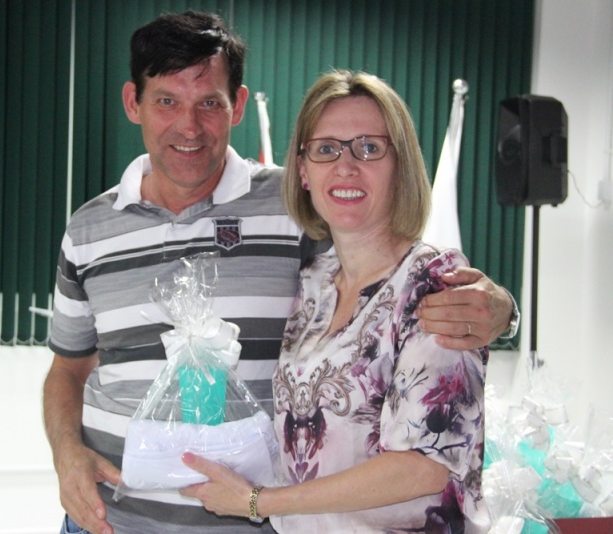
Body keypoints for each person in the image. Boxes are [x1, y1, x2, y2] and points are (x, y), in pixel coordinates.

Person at [44, 12, 512, 534]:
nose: (189, 126)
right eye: (167, 101)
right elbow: (67, 369)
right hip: (109, 521)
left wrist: (501, 309)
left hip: (252, 523)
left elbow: (400, 269)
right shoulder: (88, 230)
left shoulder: (300, 213)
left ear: (238, 105)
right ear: (134, 102)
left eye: (209, 103)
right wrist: (66, 454)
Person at [179, 70, 491, 532]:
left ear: (400, 166)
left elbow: (425, 465)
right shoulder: (312, 284)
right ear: (303, 172)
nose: (346, 167)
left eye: (369, 148)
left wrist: (258, 502)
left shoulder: (433, 283)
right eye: (326, 149)